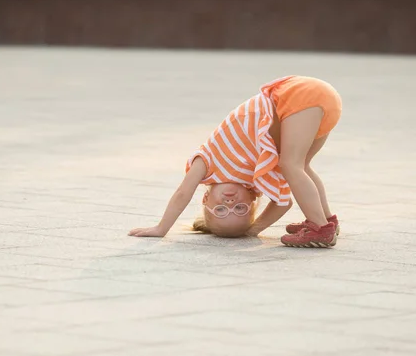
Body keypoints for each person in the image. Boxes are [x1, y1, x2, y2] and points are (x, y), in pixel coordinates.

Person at [128, 75, 342, 248]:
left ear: (205, 199)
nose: (229, 204)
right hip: (313, 103)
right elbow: (283, 202)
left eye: (219, 210)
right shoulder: (257, 176)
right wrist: (255, 229)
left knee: (291, 164)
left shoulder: (207, 163)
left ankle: (321, 228)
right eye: (240, 209)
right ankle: (326, 219)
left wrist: (161, 228)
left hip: (295, 96)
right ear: (251, 200)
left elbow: (183, 193)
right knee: (300, 166)